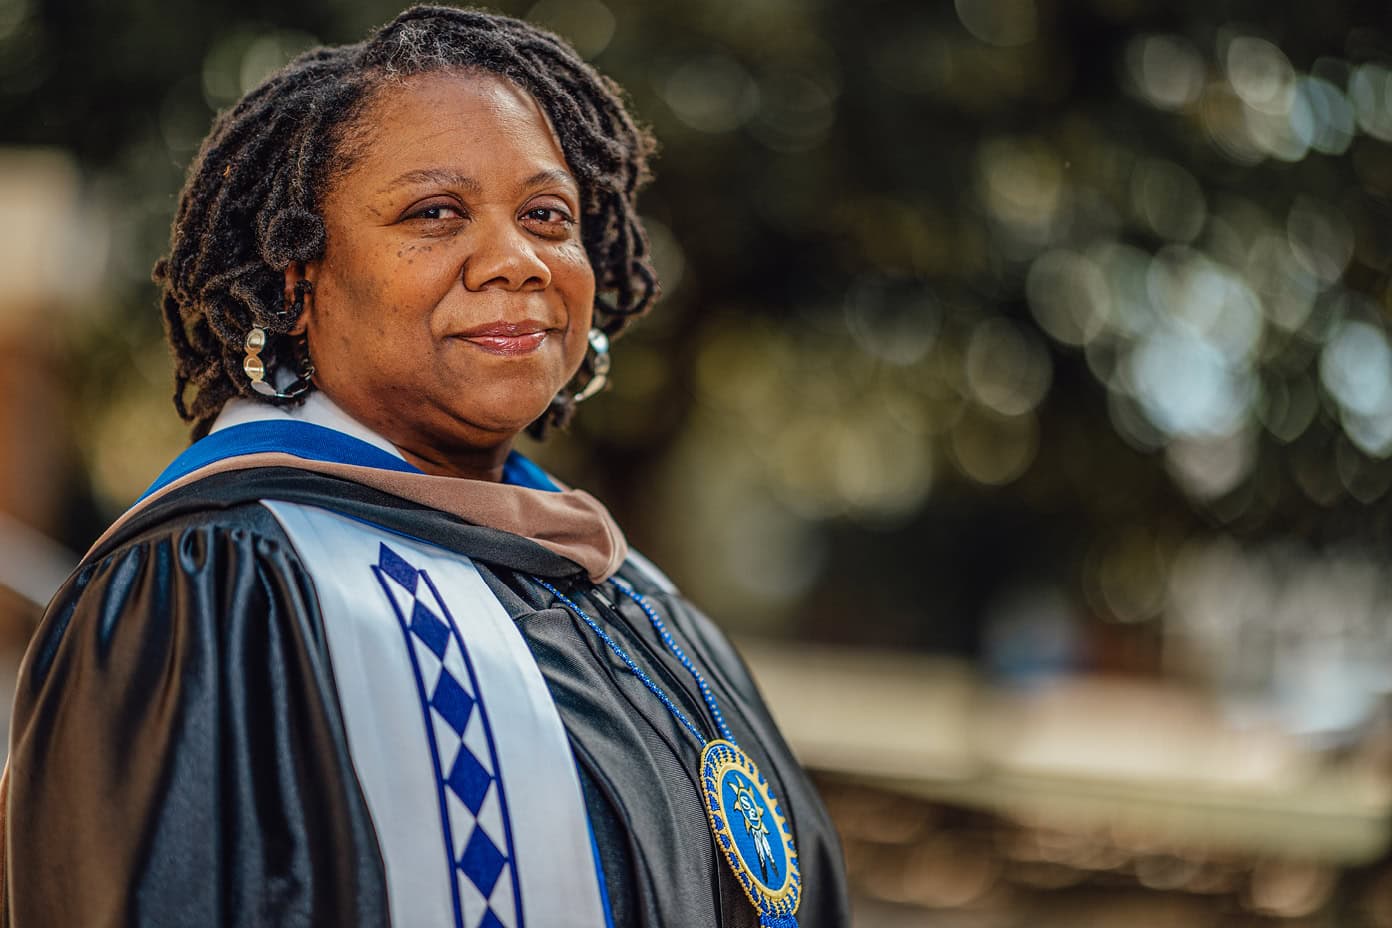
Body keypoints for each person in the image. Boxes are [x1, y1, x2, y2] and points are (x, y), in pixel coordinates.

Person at [3, 6, 848, 928]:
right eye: (435, 212)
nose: (516, 259)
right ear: (297, 278)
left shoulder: (632, 601)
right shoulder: (213, 590)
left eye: (546, 215)